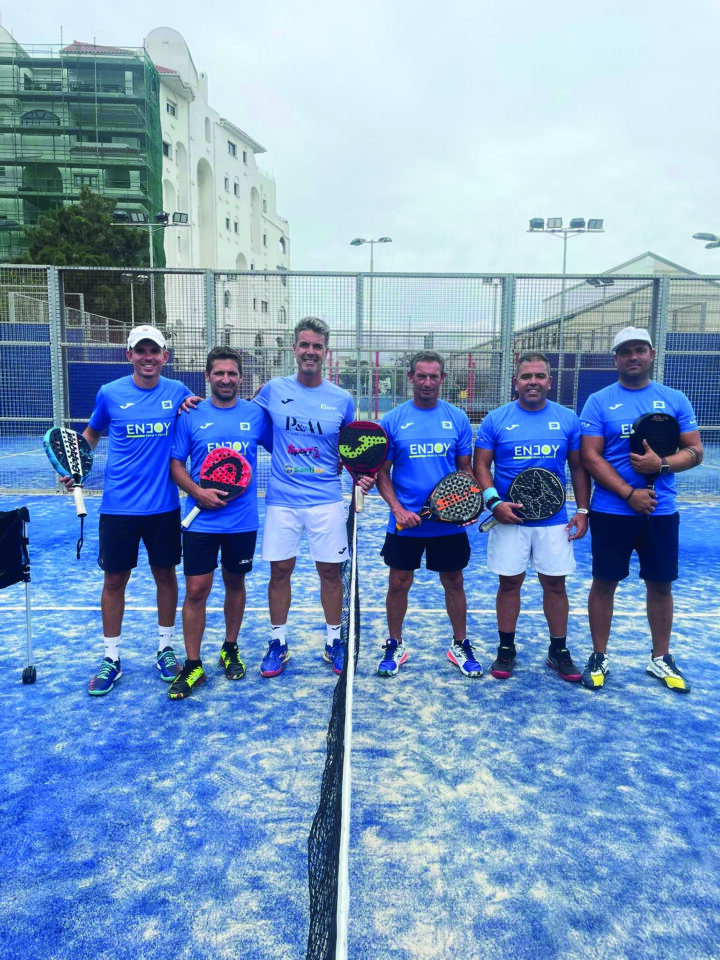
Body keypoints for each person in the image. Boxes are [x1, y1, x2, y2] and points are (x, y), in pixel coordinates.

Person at [579, 326, 703, 692]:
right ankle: (599, 655)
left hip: (661, 512)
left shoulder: (675, 399)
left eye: (639, 350)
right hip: (611, 511)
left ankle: (660, 657)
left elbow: (695, 451)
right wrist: (628, 493)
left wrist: (661, 465)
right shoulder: (599, 401)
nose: (633, 357)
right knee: (604, 582)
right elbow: (590, 457)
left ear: (651, 354)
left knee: (660, 584)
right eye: (625, 352)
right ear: (616, 359)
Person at [75, 324, 192, 695]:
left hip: (163, 507)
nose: (148, 357)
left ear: (165, 357)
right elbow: (92, 433)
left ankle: (165, 648)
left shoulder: (178, 392)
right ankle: (111, 657)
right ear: (129, 355)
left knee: (166, 576)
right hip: (118, 508)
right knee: (114, 581)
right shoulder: (110, 393)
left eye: (154, 351)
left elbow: (200, 419)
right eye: (140, 351)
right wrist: (77, 464)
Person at [253, 317, 364, 678]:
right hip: (282, 500)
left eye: (317, 346)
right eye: (304, 345)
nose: (310, 352)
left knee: (330, 572)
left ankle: (333, 640)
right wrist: (193, 403)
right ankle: (278, 642)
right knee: (279, 571)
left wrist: (360, 474)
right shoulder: (273, 389)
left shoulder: (342, 399)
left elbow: (350, 448)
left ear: (326, 352)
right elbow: (246, 420)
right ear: (294, 349)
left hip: (326, 500)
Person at [473, 352, 590, 682]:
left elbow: (578, 467)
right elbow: (481, 465)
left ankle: (558, 650)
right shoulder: (496, 419)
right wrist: (494, 502)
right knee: (509, 583)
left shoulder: (567, 419)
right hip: (509, 517)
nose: (533, 382)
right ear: (516, 382)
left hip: (554, 521)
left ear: (550, 381)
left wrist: (582, 510)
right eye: (526, 376)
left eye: (539, 376)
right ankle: (506, 649)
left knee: (555, 584)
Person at [168, 347, 272, 699]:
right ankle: (193, 663)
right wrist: (198, 492)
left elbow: (284, 447)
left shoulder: (255, 415)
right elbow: (176, 465)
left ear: (240, 378)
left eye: (232, 373)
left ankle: (230, 646)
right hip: (201, 522)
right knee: (196, 590)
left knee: (235, 583)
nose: (226, 379)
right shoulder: (191, 414)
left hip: (242, 522)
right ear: (208, 377)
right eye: (219, 373)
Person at [375, 350, 481, 678]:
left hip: (448, 523)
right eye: (421, 375)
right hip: (405, 523)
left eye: (434, 376)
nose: (427, 382)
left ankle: (460, 644)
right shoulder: (393, 420)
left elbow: (465, 469)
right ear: (410, 378)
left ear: (442, 379)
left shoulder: (457, 418)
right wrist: (398, 510)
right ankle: (395, 644)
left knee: (454, 581)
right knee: (398, 582)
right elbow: (382, 472)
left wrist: (469, 503)